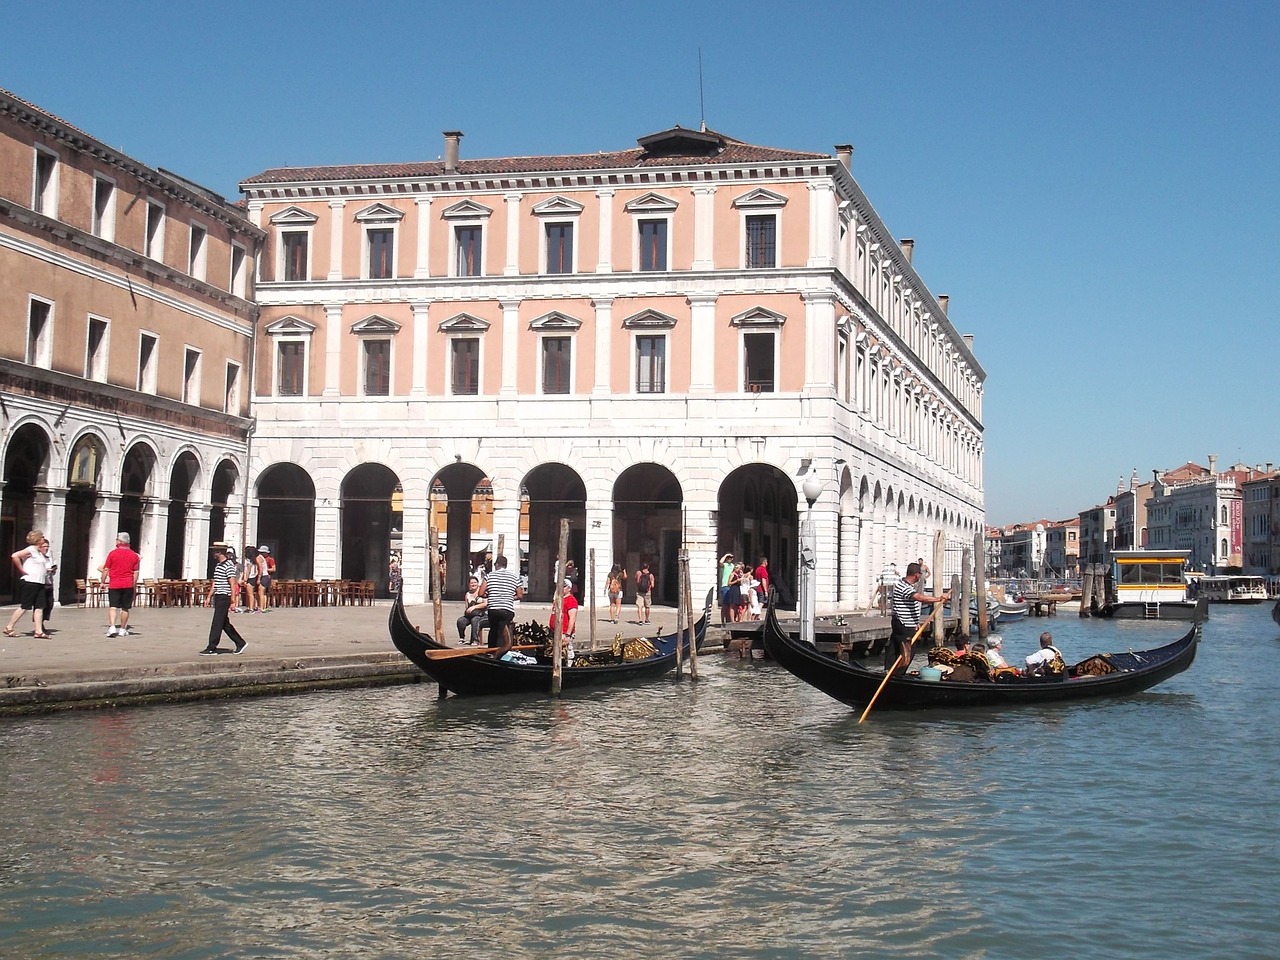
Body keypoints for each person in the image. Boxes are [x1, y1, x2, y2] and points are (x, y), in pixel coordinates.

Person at [885, 561, 950, 673]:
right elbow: (919, 598)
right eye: (920, 574)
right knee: (907, 652)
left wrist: (916, 622)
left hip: (904, 623)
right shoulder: (904, 587)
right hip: (904, 625)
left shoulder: (902, 583)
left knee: (894, 648)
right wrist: (939, 599)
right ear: (916, 574)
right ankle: (897, 674)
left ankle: (890, 671)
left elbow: (910, 607)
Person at [201, 542, 247, 655]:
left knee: (217, 622)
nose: (212, 553)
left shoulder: (229, 565)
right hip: (218, 596)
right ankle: (240, 643)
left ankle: (212, 647)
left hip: (224, 596)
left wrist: (233, 599)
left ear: (219, 552)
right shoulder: (218, 566)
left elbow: (232, 583)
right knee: (224, 623)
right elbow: (215, 583)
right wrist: (209, 597)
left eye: (214, 551)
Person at [5, 530, 50, 639]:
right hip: (30, 581)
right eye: (42, 537)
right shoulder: (31, 549)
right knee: (25, 606)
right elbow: (15, 556)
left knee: (40, 606)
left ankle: (38, 631)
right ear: (38, 539)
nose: (43, 539)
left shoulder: (39, 552)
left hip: (40, 582)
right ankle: (9, 627)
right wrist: (21, 570)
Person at [98, 532, 140, 638]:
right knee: (125, 608)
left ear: (120, 541)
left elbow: (106, 569)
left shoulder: (112, 553)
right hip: (128, 584)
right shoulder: (134, 555)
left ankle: (112, 627)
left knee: (113, 606)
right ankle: (122, 629)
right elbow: (136, 573)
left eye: (117, 539)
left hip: (114, 584)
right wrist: (133, 585)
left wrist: (102, 581)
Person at [479, 554, 523, 650]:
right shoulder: (514, 577)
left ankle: (491, 651)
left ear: (497, 565)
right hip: (507, 609)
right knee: (503, 631)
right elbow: (520, 595)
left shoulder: (489, 576)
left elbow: (481, 593)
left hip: (493, 609)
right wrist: (509, 597)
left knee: (494, 630)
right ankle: (501, 652)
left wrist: (490, 595)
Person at [549, 578, 579, 663]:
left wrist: (568, 635)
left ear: (569, 589)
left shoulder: (571, 600)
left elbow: (572, 618)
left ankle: (569, 666)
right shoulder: (558, 599)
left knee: (567, 652)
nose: (561, 588)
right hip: (555, 631)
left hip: (564, 632)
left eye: (564, 587)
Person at [456, 575, 489, 645]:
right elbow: (467, 606)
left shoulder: (481, 592)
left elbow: (486, 603)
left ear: (478, 583)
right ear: (469, 585)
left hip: (482, 614)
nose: (473, 584)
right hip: (472, 614)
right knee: (461, 621)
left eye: (475, 582)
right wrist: (468, 611)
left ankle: (475, 640)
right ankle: (462, 638)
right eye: (471, 583)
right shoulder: (468, 594)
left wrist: (474, 607)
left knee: (475, 620)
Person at [240, 546, 260, 613]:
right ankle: (251, 606)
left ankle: (251, 608)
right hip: (253, 577)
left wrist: (245, 578)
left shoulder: (248, 561)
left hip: (250, 577)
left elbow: (248, 570)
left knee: (250, 593)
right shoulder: (254, 560)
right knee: (250, 593)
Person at [718, 553, 735, 624]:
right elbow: (720, 562)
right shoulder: (724, 565)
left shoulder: (733, 566)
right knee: (725, 604)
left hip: (731, 586)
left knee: (730, 604)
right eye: (728, 558)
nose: (729, 559)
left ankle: (728, 620)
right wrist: (725, 555)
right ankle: (722, 621)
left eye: (731, 558)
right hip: (725, 586)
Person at [256, 545, 273, 612]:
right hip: (266, 576)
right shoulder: (262, 558)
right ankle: (263, 607)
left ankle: (261, 607)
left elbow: (260, 569)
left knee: (261, 593)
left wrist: (259, 578)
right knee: (263, 593)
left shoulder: (259, 558)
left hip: (264, 576)